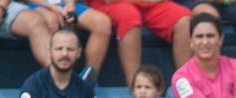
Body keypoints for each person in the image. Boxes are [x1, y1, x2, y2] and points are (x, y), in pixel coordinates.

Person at [86, 0, 220, 88]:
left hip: (152, 3)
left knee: (185, 21)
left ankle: (185, 84)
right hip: (112, 3)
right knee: (129, 16)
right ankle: (136, 85)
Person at [24, 1, 113, 83]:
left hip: (66, 4)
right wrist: (53, 8)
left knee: (102, 23)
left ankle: (88, 82)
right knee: (51, 21)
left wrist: (70, 6)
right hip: (37, 4)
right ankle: (56, 83)